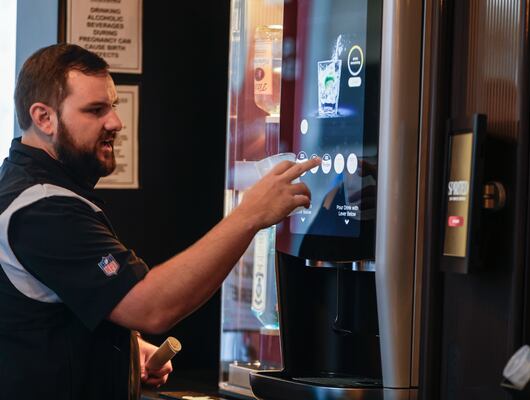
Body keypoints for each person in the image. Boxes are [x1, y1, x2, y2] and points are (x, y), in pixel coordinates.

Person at [0, 43, 319, 400]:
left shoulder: (33, 189)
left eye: (113, 107)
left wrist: (121, 351)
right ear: (44, 118)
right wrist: (250, 214)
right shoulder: (43, 207)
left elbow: (49, 312)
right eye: (96, 110)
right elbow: (152, 308)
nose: (116, 122)